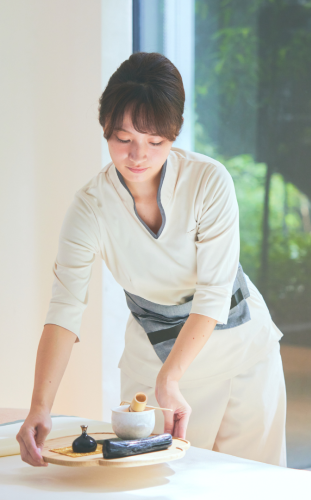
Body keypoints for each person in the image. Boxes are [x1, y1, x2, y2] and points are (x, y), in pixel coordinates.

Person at [16, 52, 286, 468]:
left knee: (254, 485)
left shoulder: (208, 182)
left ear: (174, 134)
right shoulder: (90, 207)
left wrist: (171, 378)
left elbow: (212, 294)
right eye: (123, 139)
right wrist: (40, 406)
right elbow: (65, 309)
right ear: (105, 128)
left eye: (155, 142)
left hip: (240, 354)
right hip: (151, 361)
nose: (137, 156)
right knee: (152, 483)